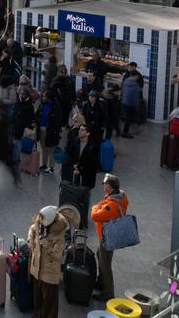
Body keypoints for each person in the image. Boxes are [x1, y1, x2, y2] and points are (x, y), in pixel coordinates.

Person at [91, 173, 129, 302]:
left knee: (105, 264)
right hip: (107, 236)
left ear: (110, 187)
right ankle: (100, 282)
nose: (103, 186)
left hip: (107, 238)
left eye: (105, 184)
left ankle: (108, 293)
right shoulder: (115, 197)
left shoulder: (112, 205)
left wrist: (95, 207)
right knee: (100, 256)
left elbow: (95, 216)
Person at [27, 205, 67, 317]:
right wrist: (30, 238)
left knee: (49, 304)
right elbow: (32, 228)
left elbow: (58, 256)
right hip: (37, 269)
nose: (39, 220)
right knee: (37, 299)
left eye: (41, 218)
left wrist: (47, 247)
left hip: (49, 273)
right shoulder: (41, 224)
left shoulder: (58, 233)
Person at [61, 123, 99, 195]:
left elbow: (92, 164)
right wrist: (74, 165)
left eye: (82, 130)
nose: (79, 131)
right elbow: (71, 155)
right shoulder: (76, 141)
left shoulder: (93, 146)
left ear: (88, 133)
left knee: (84, 195)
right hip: (75, 172)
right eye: (79, 130)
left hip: (86, 176)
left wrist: (80, 170)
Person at [35, 90, 62, 174]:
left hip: (51, 131)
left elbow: (58, 121)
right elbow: (37, 115)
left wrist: (55, 132)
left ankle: (51, 167)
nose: (42, 98)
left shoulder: (56, 107)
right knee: (44, 148)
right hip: (42, 129)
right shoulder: (42, 105)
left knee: (51, 149)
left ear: (49, 98)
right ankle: (44, 164)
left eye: (44, 97)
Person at [120, 68, 142, 138]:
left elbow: (122, 90)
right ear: (135, 76)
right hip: (131, 103)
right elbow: (135, 96)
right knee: (129, 118)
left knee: (126, 117)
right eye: (137, 77)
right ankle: (125, 132)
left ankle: (123, 130)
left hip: (124, 102)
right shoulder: (135, 85)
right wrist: (137, 105)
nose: (137, 78)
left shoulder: (125, 81)